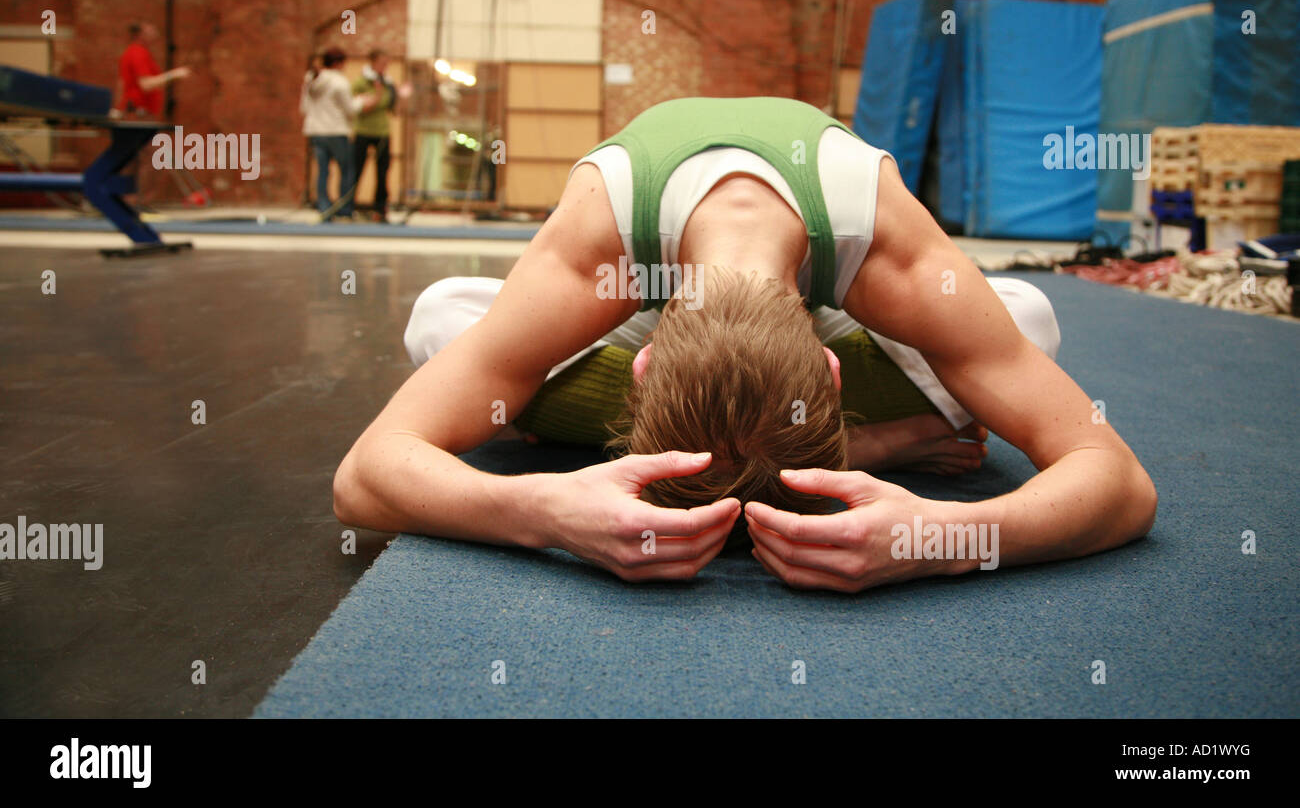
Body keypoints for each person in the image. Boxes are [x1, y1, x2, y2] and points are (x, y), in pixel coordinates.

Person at [333, 96, 1157, 592]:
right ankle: (871, 444)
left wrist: (936, 541)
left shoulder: (889, 250)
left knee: (1028, 316)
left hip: (818, 286)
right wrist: (542, 509)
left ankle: (566, 430)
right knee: (440, 314)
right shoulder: (599, 248)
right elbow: (362, 478)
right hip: (644, 289)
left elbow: (1123, 484)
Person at [300, 48, 375, 221]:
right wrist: (362, 101)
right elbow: (350, 109)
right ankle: (344, 209)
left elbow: (304, 107)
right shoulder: (339, 82)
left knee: (323, 170)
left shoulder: (311, 80)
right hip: (336, 131)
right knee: (347, 169)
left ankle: (324, 208)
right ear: (338, 63)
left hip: (316, 131)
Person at [351, 50, 397, 223]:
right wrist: (377, 95)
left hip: (382, 133)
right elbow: (361, 107)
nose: (385, 67)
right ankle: (349, 207)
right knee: (357, 169)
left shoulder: (387, 83)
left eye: (387, 64)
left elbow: (391, 108)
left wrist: (400, 96)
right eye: (382, 63)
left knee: (383, 172)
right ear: (373, 62)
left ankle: (380, 209)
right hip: (363, 131)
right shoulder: (361, 83)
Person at [111, 22, 190, 119]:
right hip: (137, 114)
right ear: (140, 33)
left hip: (138, 113)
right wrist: (175, 74)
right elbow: (146, 84)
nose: (154, 31)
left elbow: (121, 84)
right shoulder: (137, 53)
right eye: (150, 28)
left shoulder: (137, 52)